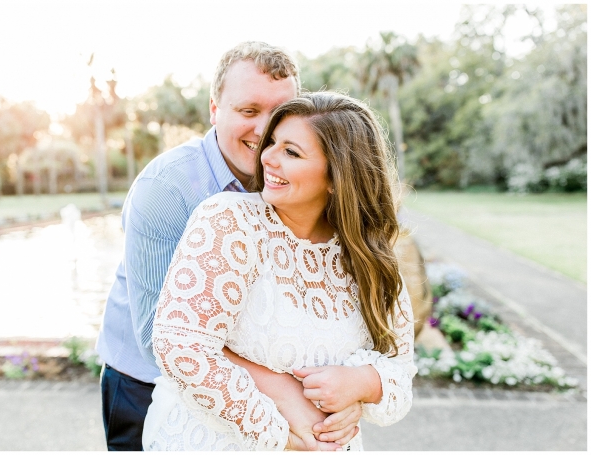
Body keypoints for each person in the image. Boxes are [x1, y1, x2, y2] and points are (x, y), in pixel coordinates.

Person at [95, 42, 361, 451]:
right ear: (214, 109)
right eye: (249, 111)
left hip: (254, 395)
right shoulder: (165, 189)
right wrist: (284, 390)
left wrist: (347, 389)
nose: (265, 131)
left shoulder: (296, 180)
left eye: (279, 114)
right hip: (144, 387)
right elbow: (158, 336)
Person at [143, 91, 417, 451]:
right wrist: (276, 421)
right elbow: (180, 343)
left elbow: (400, 369)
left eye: (291, 152)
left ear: (337, 177)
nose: (267, 156)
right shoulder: (230, 221)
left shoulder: (368, 254)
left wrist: (362, 385)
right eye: (272, 142)